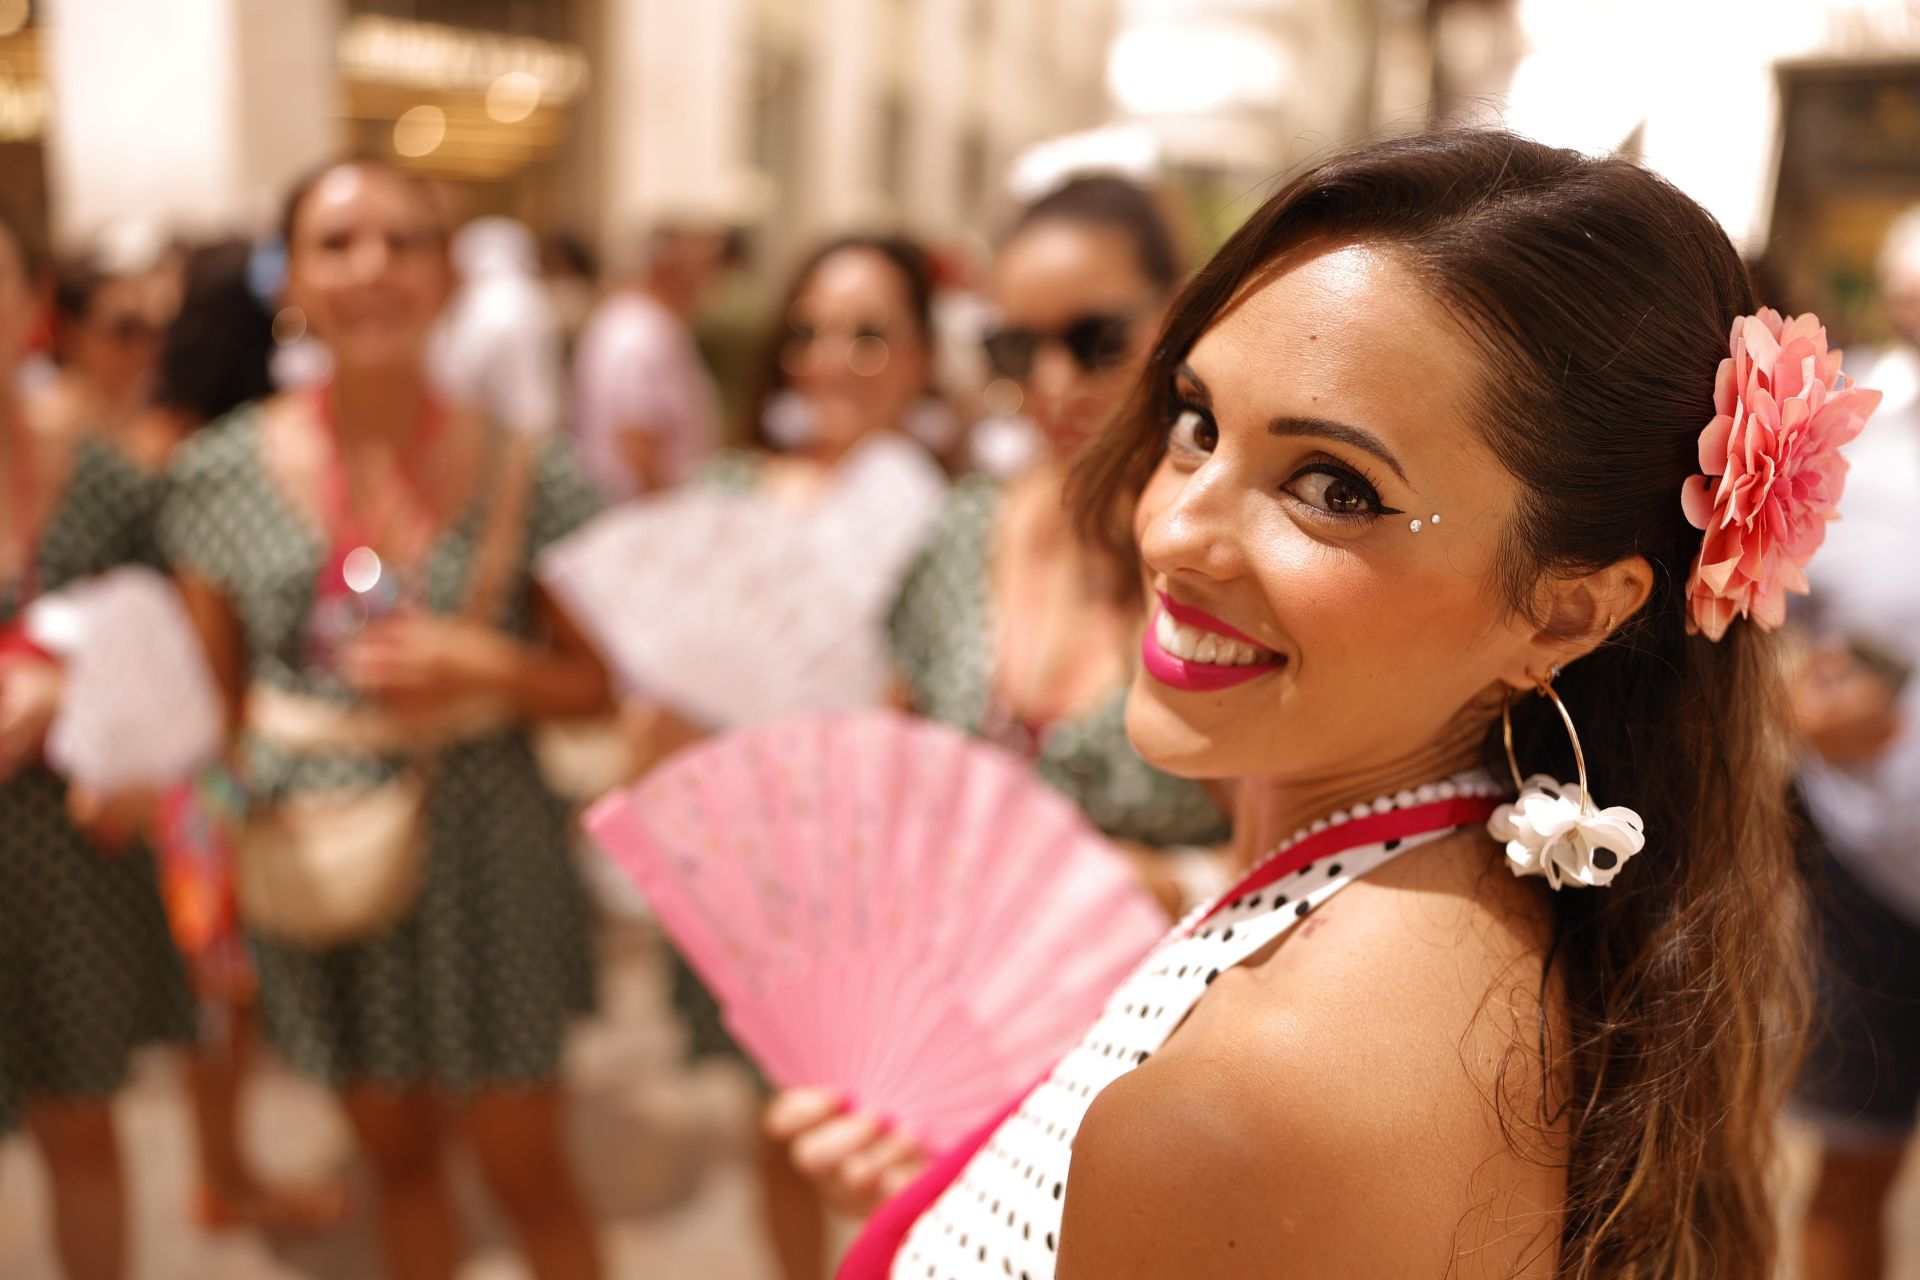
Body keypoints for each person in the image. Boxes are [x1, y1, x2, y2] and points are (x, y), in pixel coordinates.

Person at [769, 128, 1857, 1278]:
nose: (1173, 531)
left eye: (1334, 487)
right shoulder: (1481, 912)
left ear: (1567, 614)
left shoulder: (1251, 1100)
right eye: (1196, 424)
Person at [160, 159, 612, 1280]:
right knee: (396, 1165)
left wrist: (489, 664)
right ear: (290, 278)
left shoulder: (530, 469)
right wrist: (207, 890)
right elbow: (214, 712)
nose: (375, 268)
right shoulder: (217, 474)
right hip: (320, 858)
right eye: (340, 243)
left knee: (527, 1165)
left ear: (450, 274)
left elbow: (599, 686)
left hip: (490, 850)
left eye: (407, 242)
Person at [887, 176, 1230, 912]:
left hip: (1166, 1003)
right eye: (1013, 346)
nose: (1053, 381)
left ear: (1181, 316)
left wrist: (1172, 884)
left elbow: (1303, 847)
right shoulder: (964, 527)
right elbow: (897, 775)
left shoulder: (1221, 554)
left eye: (1095, 339)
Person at [0, 208, 197, 1280]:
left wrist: (80, 690)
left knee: (83, 1122)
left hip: (73, 851)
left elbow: (170, 652)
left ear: (32, 306)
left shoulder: (111, 480)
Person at [1790, 204, 1920, 1280]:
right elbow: (1754, 624)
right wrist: (1799, 706)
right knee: (1850, 1159)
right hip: (1859, 862)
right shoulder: (1847, 428)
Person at [572, 220, 734, 498]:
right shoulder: (640, 332)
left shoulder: (633, 320)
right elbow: (636, 441)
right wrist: (663, 517)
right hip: (642, 513)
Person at [433, 216, 566, 437]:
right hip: (535, 430)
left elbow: (454, 379)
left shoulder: (478, 305)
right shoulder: (534, 297)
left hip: (496, 437)